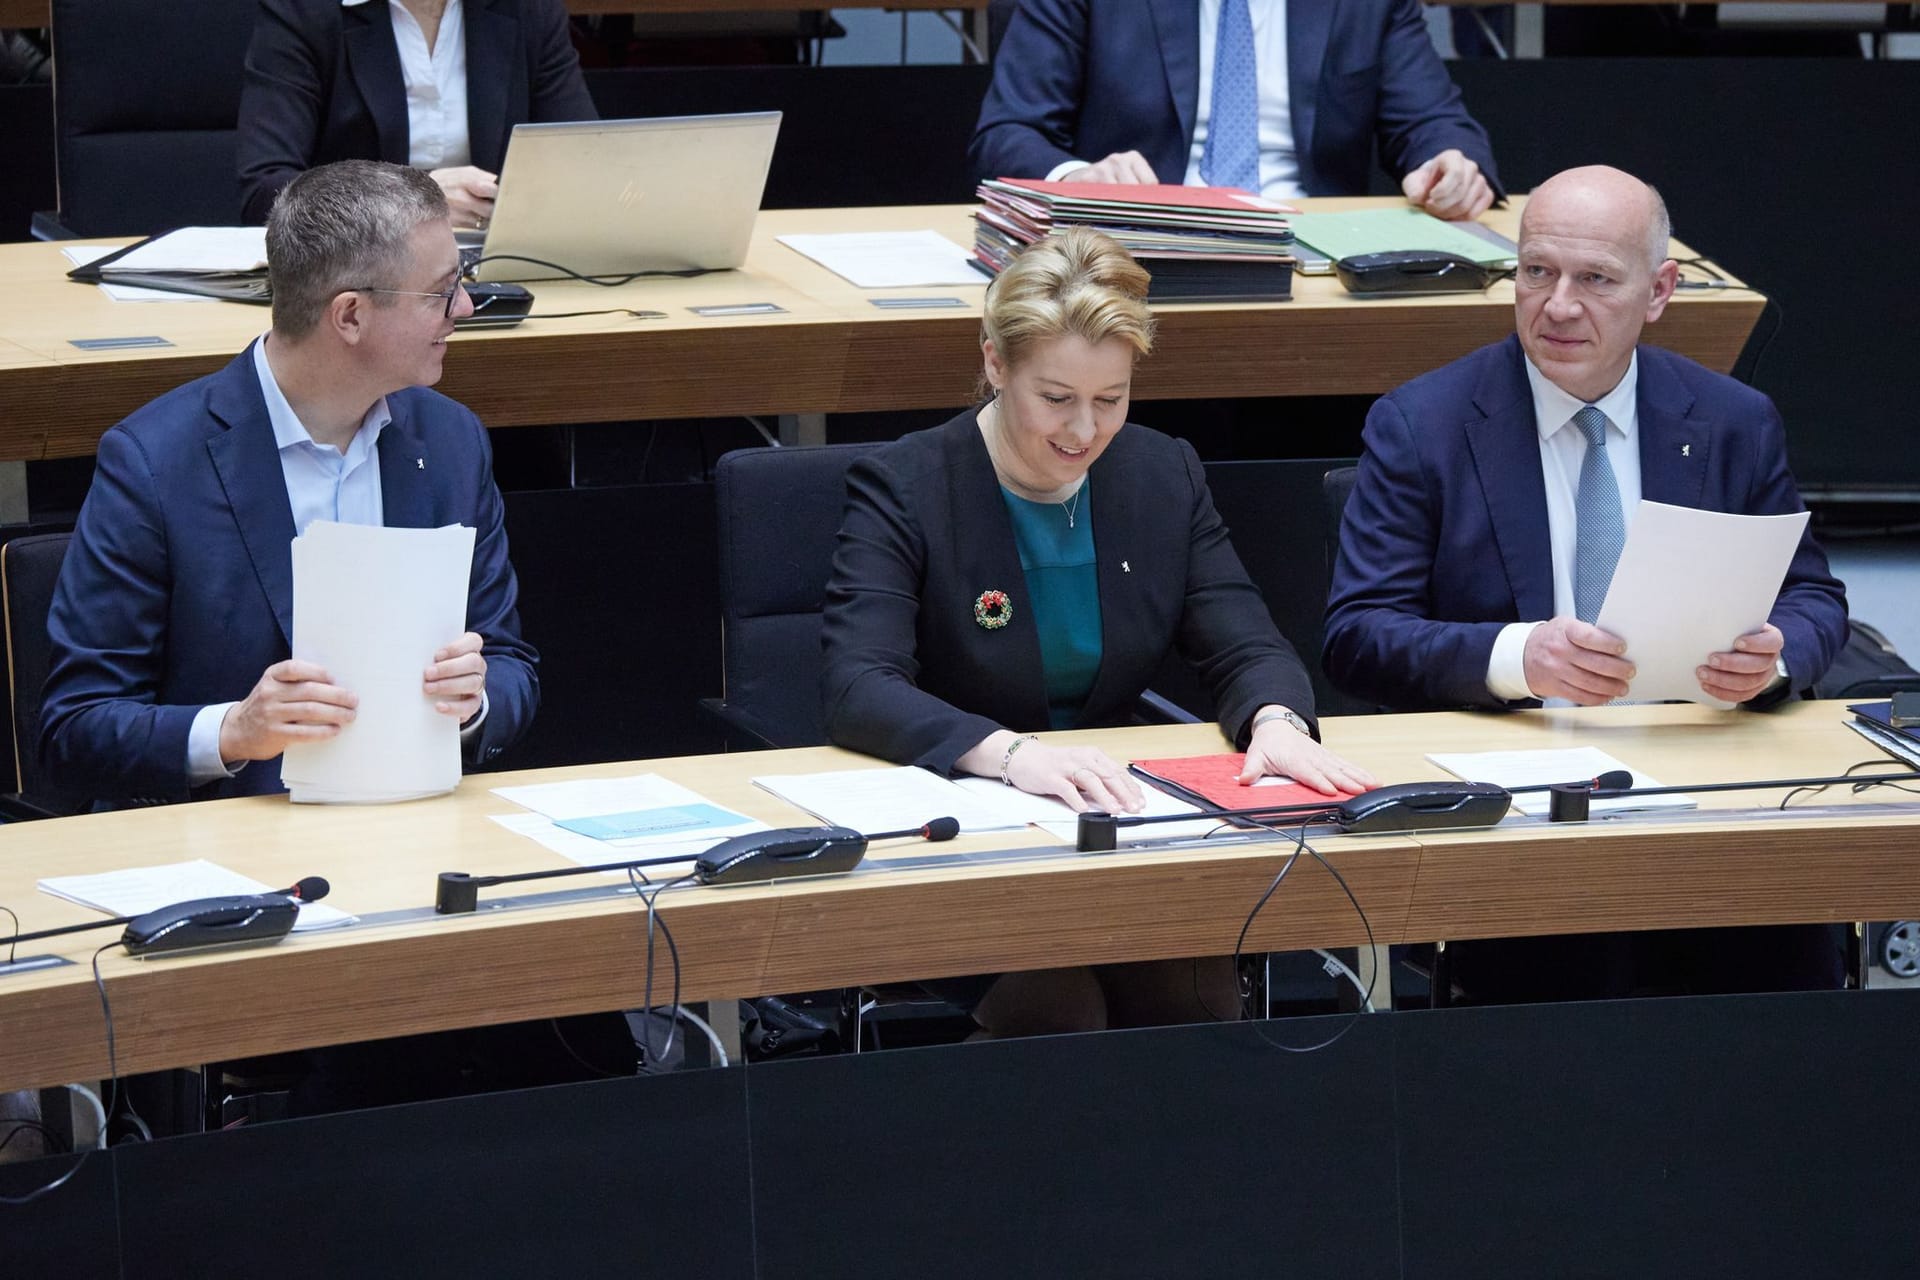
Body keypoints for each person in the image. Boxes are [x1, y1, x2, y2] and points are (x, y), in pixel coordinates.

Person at [821, 226, 1376, 1034]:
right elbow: (856, 686)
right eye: (1056, 398)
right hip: (962, 834)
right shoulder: (908, 484)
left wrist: (1277, 720)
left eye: (1110, 400)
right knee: (1062, 1011)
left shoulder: (1160, 473)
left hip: (1111, 829)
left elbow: (1244, 642)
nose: (1084, 431)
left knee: (1192, 998)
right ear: (995, 364)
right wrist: (1014, 755)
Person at [1323, 164, 1849, 998]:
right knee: (1576, 986)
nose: (1558, 305)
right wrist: (1518, 657)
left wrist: (1775, 657)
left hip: (1705, 767)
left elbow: (1815, 599)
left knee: (1780, 958)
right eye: (1537, 272)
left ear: (1659, 291)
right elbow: (1357, 634)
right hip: (1522, 791)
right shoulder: (1423, 425)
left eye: (1596, 279)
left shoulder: (1730, 422)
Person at [41, 159, 539, 809]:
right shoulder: (156, 462)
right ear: (350, 316)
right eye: (442, 291)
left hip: (420, 825)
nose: (465, 308)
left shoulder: (450, 442)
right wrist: (233, 731)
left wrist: (474, 703)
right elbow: (75, 727)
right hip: (234, 842)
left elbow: (511, 667)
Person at [969, 0, 1500, 221]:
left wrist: (1450, 166)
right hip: (1140, 243)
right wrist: (1080, 179)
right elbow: (1008, 132)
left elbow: (1432, 121)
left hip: (1312, 254)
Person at [236, 0, 596, 225]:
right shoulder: (304, 11)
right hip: (357, 279)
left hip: (494, 271)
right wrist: (416, 200)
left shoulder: (528, 10)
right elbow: (266, 191)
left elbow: (587, 163)